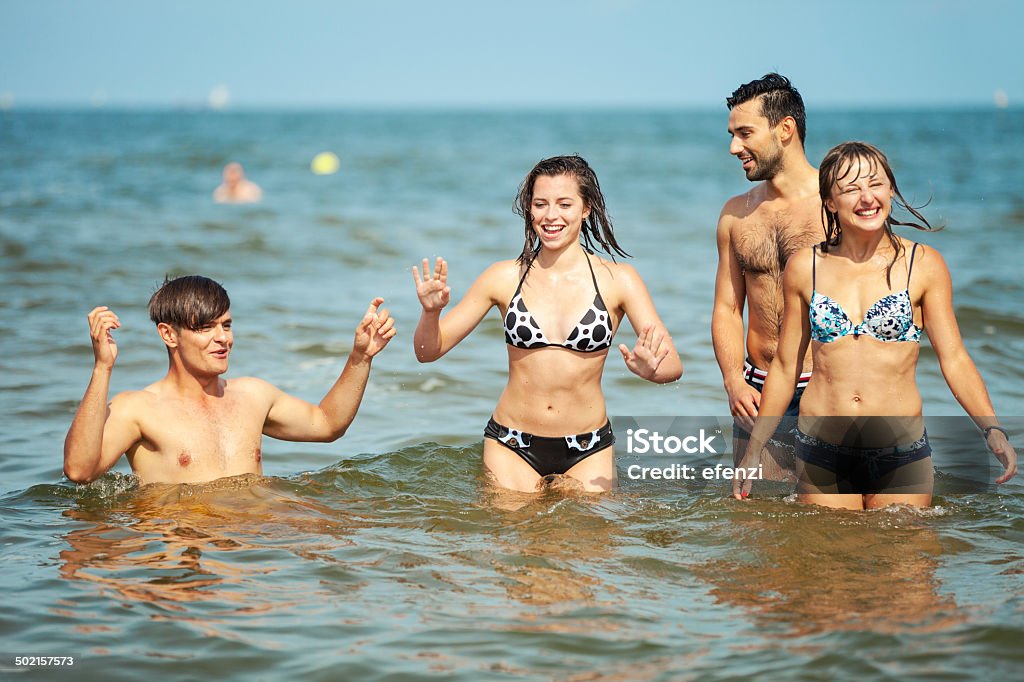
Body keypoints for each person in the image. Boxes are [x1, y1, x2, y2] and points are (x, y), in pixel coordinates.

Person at [734, 142, 1017, 509]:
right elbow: (787, 367)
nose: (867, 198)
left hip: (901, 449)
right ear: (831, 201)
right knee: (829, 561)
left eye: (875, 184)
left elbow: (955, 358)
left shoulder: (923, 264)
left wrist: (991, 428)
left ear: (891, 189)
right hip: (823, 449)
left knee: (905, 560)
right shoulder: (806, 267)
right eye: (851, 189)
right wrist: (754, 449)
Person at [412, 155, 682, 493]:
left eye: (564, 204)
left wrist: (650, 369)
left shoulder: (619, 281)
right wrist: (430, 313)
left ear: (586, 209)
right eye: (540, 204)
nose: (551, 216)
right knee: (514, 542)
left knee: (590, 541)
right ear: (529, 210)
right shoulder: (502, 277)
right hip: (511, 444)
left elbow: (672, 365)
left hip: (589, 447)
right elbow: (427, 351)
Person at [63, 275, 395, 485]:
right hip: (187, 555)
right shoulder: (138, 409)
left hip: (249, 549)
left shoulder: (252, 395)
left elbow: (327, 424)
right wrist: (102, 368)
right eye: (205, 328)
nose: (223, 338)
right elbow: (80, 471)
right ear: (168, 335)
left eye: (227, 325)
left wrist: (360, 358)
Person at [712, 74, 823, 478]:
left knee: (829, 525)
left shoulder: (837, 206)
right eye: (732, 134)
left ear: (785, 129)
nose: (733, 147)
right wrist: (732, 382)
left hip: (825, 386)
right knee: (753, 521)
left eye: (744, 133)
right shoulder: (735, 214)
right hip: (756, 388)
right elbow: (727, 307)